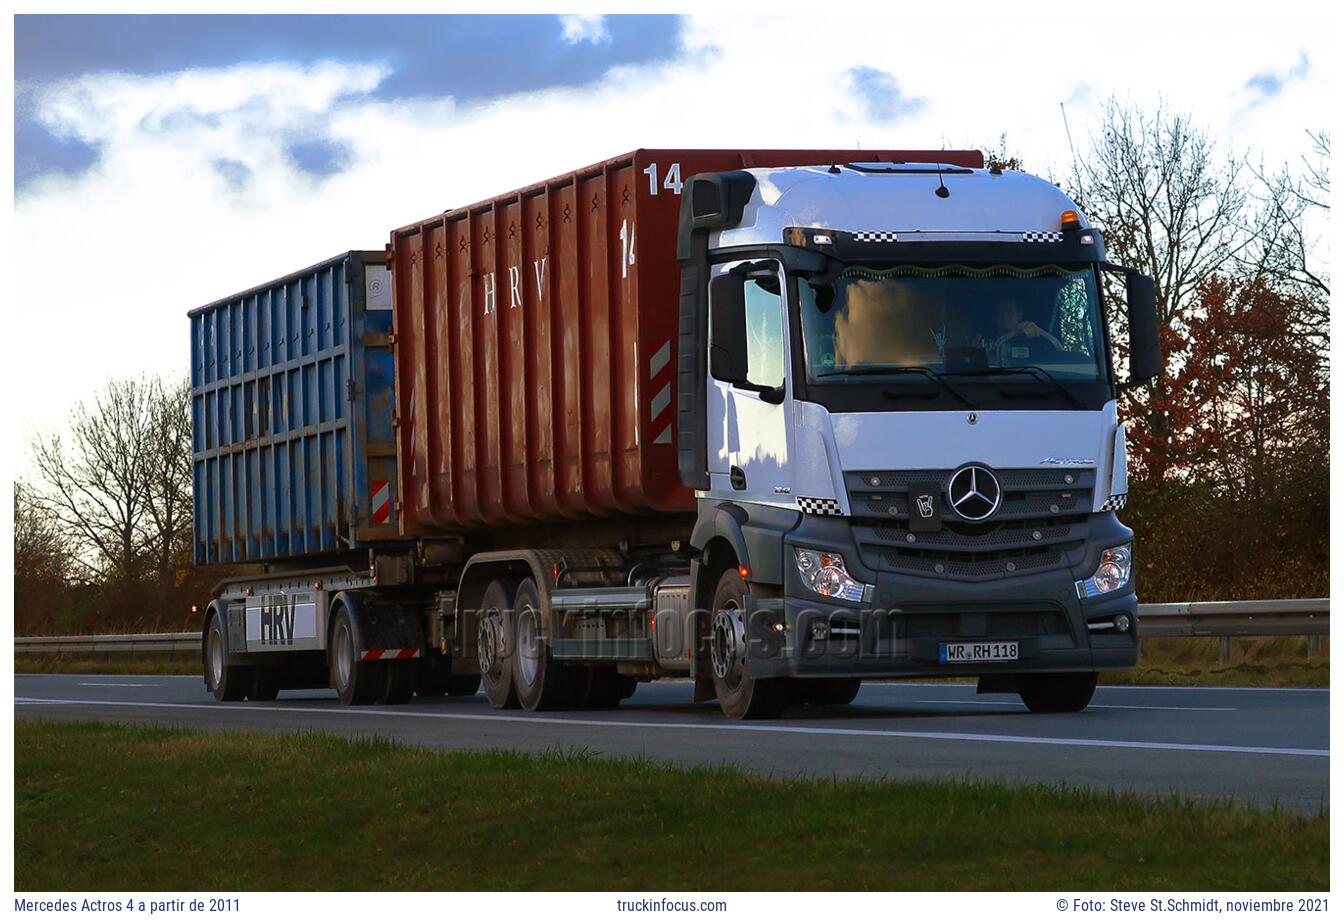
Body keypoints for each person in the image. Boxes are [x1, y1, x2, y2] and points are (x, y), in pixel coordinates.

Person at [977, 298, 1063, 361]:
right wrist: (1014, 333)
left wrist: (1039, 331)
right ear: (994, 316)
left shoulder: (1031, 338)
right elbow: (995, 348)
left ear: (1019, 315)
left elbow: (1059, 349)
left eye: (1010, 312)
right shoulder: (984, 339)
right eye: (1000, 312)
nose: (1004, 317)